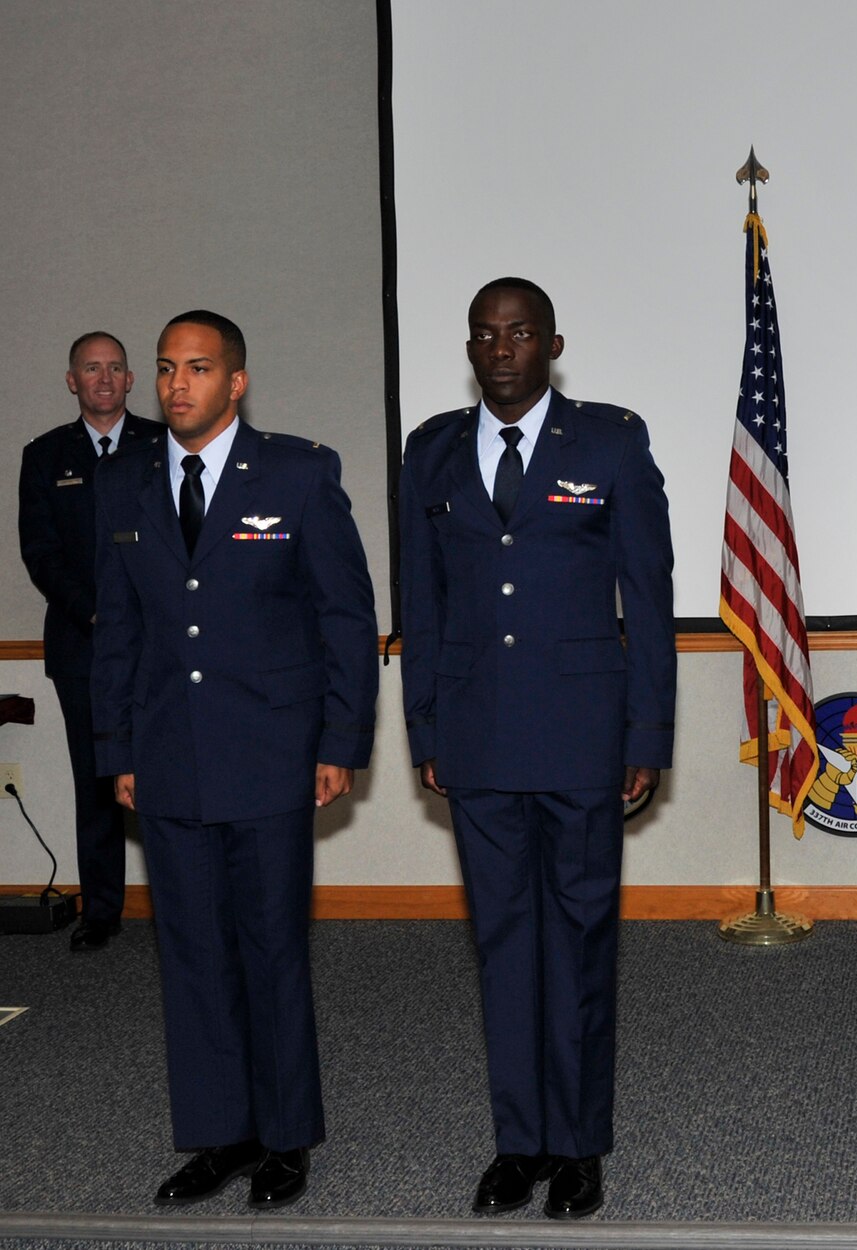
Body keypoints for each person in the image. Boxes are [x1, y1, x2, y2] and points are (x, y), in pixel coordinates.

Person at [399, 277, 676, 1221]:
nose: (502, 349)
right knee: (505, 942)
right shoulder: (431, 451)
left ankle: (580, 1145)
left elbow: (648, 594)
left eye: (519, 333)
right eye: (485, 335)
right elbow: (422, 605)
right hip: (476, 738)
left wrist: (648, 733)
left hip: (582, 736)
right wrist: (424, 728)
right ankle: (519, 1143)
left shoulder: (609, 441)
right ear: (470, 349)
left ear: (553, 343)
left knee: (582, 940)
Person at [93, 310, 377, 1208]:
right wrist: (118, 750)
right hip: (169, 758)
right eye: (168, 369)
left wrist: (340, 742)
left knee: (269, 949)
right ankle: (222, 1135)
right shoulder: (131, 487)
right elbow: (121, 632)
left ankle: (286, 1138)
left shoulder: (297, 473)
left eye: (200, 369)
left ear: (236, 383)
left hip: (271, 756)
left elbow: (344, 617)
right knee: (191, 954)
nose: (179, 385)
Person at [17, 332, 163, 950]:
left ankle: (183, 903)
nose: (103, 378)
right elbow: (41, 554)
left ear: (131, 380)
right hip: (83, 645)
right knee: (97, 780)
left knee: (169, 773)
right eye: (90, 369)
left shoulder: (164, 444)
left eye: (114, 368)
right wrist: (100, 616)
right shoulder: (45, 455)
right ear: (72, 381)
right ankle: (102, 911)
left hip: (163, 645)